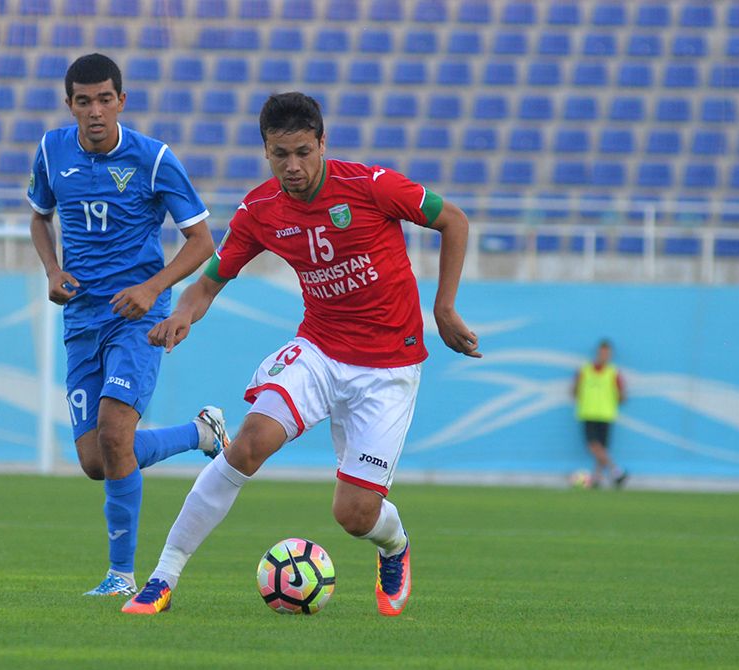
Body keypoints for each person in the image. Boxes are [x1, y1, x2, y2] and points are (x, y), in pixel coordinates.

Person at [123, 92, 481, 617]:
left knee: (356, 515)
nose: (292, 166)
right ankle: (162, 578)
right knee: (248, 445)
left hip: (388, 368)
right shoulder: (261, 209)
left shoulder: (371, 185)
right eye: (279, 154)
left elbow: (453, 219)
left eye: (303, 152)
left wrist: (444, 309)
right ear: (265, 151)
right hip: (319, 350)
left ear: (322, 144)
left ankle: (395, 545)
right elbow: (211, 282)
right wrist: (182, 314)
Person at [27, 53, 230, 597]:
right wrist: (52, 269)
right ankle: (200, 432)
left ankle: (121, 576)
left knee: (117, 435)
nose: (95, 111)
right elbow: (39, 218)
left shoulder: (155, 159)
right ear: (69, 104)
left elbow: (203, 243)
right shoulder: (51, 151)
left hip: (136, 316)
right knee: (97, 460)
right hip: (81, 318)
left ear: (122, 99)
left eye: (105, 99)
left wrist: (152, 288)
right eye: (84, 101)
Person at [572, 339, 627, 488]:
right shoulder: (585, 370)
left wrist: (615, 401)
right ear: (597, 353)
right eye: (602, 353)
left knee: (602, 448)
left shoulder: (613, 372)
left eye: (607, 353)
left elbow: (622, 394)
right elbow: (575, 389)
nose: (604, 356)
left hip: (606, 414)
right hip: (588, 413)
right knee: (594, 446)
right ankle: (615, 470)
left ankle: (596, 479)